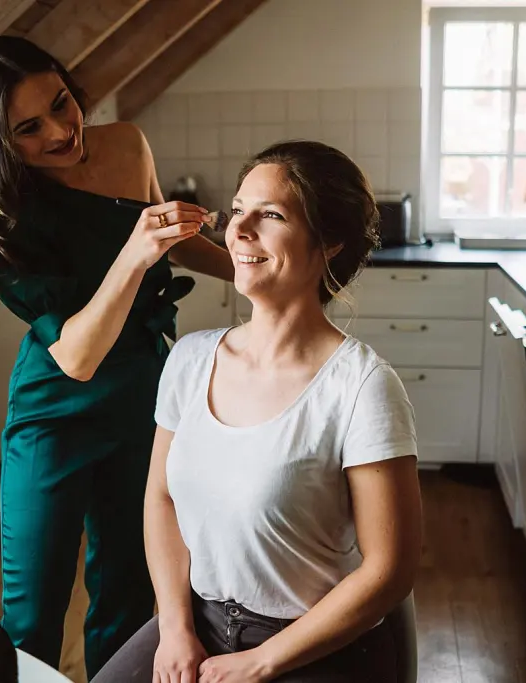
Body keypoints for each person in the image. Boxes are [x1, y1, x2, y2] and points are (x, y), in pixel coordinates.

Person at [0, 36, 233, 677]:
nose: (61, 131)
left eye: (61, 103)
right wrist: (136, 250)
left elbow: (172, 242)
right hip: (55, 411)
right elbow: (76, 356)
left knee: (126, 597)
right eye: (29, 128)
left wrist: (262, 268)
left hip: (143, 396)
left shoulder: (127, 144)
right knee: (32, 615)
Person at [94, 140, 422, 683]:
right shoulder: (190, 359)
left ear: (329, 242)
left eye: (270, 215)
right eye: (237, 210)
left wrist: (259, 662)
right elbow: (161, 498)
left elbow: (391, 571)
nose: (239, 230)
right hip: (198, 621)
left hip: (315, 642)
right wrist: (174, 628)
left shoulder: (362, 386)